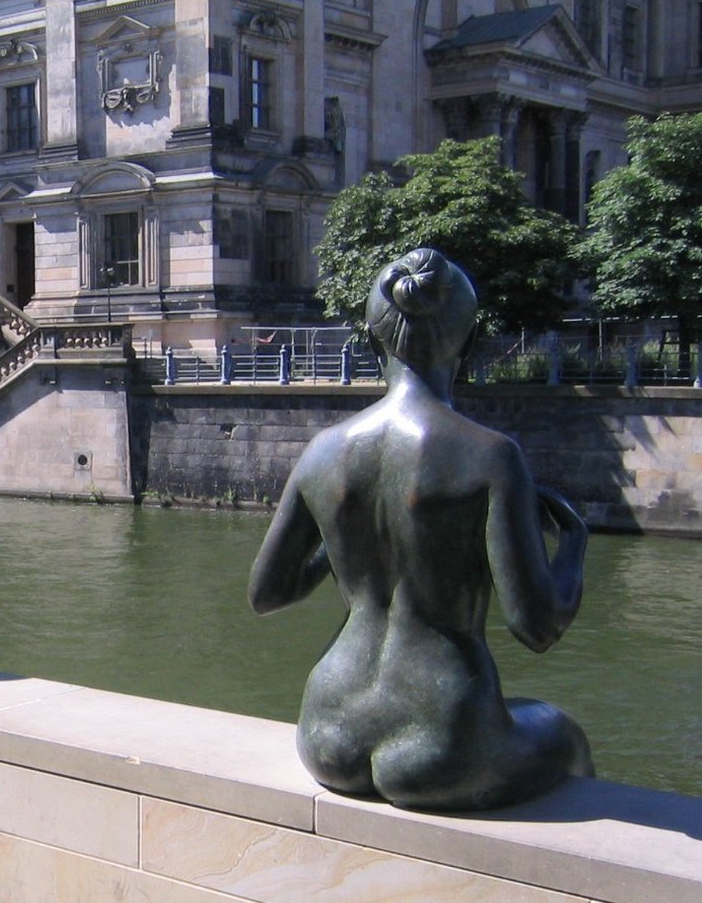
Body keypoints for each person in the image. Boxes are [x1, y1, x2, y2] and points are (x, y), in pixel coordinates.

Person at [248, 248, 593, 811]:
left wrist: (344, 540)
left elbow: (267, 595)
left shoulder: (323, 452)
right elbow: (537, 626)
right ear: (464, 334)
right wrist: (574, 543)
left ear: (374, 333)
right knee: (562, 731)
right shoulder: (490, 457)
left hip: (327, 732)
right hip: (444, 741)